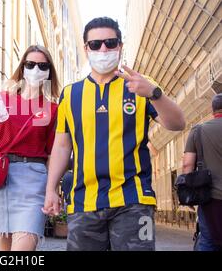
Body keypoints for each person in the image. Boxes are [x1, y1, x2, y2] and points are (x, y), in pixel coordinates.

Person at [43, 17, 186, 251]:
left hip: (134, 200)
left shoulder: (141, 86)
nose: (103, 49)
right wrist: (50, 190)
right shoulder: (70, 94)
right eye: (96, 44)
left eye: (110, 43)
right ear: (85, 48)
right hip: (83, 202)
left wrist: (154, 93)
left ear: (120, 45)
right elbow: (61, 147)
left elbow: (177, 123)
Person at [0, 45, 60, 251]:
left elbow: (54, 154)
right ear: (22, 68)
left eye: (42, 65)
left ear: (49, 71)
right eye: (30, 64)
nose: (35, 69)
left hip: (33, 179)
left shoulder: (53, 109)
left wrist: (52, 189)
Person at [182, 93, 222, 251]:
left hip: (210, 199)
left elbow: (187, 166)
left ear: (212, 110)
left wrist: (189, 196)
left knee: (208, 240)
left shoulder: (198, 131)